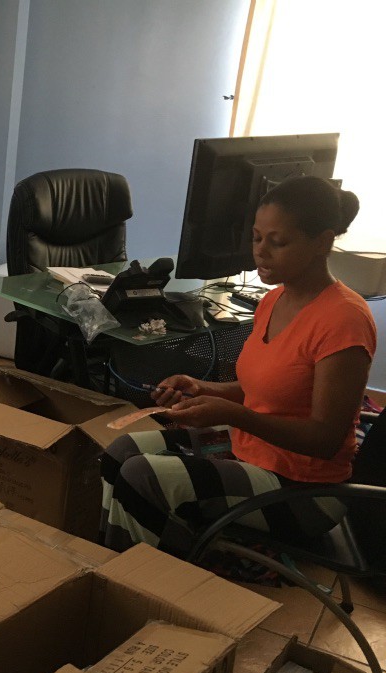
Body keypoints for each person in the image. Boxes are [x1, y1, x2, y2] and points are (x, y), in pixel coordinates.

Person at [101, 176, 376, 557]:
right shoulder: (273, 300)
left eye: (277, 242)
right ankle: (128, 561)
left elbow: (325, 440)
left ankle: (143, 585)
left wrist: (233, 415)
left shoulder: (344, 320)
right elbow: (259, 388)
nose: (261, 252)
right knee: (121, 450)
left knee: (141, 477)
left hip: (302, 490)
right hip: (251, 451)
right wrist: (202, 387)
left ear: (323, 242)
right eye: (256, 238)